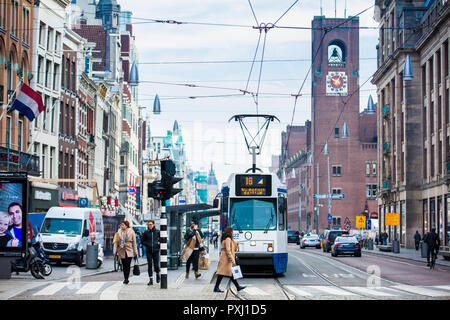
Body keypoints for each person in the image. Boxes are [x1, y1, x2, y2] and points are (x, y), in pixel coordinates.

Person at [213, 226, 246, 293]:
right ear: (230, 232)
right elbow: (228, 250)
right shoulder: (228, 239)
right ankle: (216, 288)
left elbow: (235, 248)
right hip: (226, 259)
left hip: (226, 258)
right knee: (222, 273)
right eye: (232, 232)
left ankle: (237, 287)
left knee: (229, 273)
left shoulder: (229, 239)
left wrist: (233, 240)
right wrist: (232, 259)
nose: (233, 233)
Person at [142, 220, 160, 285]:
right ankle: (151, 280)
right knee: (149, 265)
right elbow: (142, 241)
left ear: (153, 224)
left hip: (156, 251)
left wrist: (158, 243)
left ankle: (158, 274)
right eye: (148, 224)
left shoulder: (158, 232)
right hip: (149, 251)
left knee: (156, 265)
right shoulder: (146, 232)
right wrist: (148, 244)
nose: (149, 226)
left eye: (151, 224)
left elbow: (163, 239)